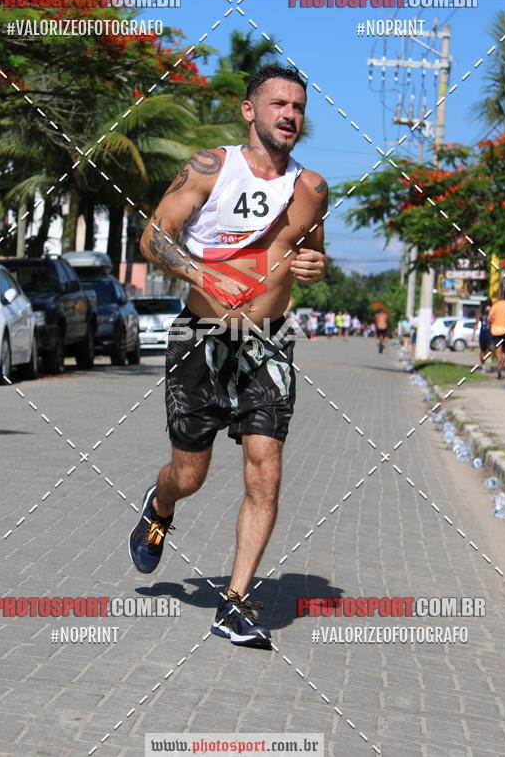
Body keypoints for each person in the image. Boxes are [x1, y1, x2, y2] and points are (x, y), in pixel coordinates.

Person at [129, 65, 327, 649]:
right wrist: (203, 275)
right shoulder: (209, 167)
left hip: (269, 342)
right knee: (189, 475)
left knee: (266, 470)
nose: (289, 114)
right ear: (250, 110)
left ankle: (234, 603)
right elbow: (153, 237)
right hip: (201, 338)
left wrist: (315, 267)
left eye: (297, 106)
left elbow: (312, 255)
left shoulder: (311, 189)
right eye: (278, 103)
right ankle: (160, 505)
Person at [488, 289, 505, 380]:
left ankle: (499, 362)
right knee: (504, 352)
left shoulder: (496, 305)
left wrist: (494, 321)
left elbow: (489, 318)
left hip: (496, 331)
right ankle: (501, 363)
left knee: (498, 351)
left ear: (503, 295)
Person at [473, 299, 493, 371]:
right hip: (490, 334)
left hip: (483, 334)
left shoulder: (481, 312)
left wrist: (473, 334)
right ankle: (488, 366)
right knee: (490, 351)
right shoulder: (492, 311)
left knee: (483, 351)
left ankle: (484, 367)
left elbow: (476, 324)